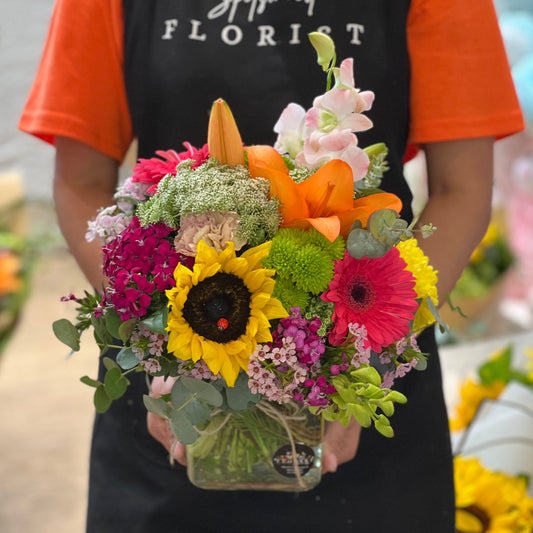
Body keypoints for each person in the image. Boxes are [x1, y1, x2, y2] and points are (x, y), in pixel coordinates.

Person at [20, 1, 523, 531]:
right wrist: (165, 349)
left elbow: (460, 189)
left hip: (361, 390)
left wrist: (360, 363)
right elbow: (81, 183)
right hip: (167, 402)